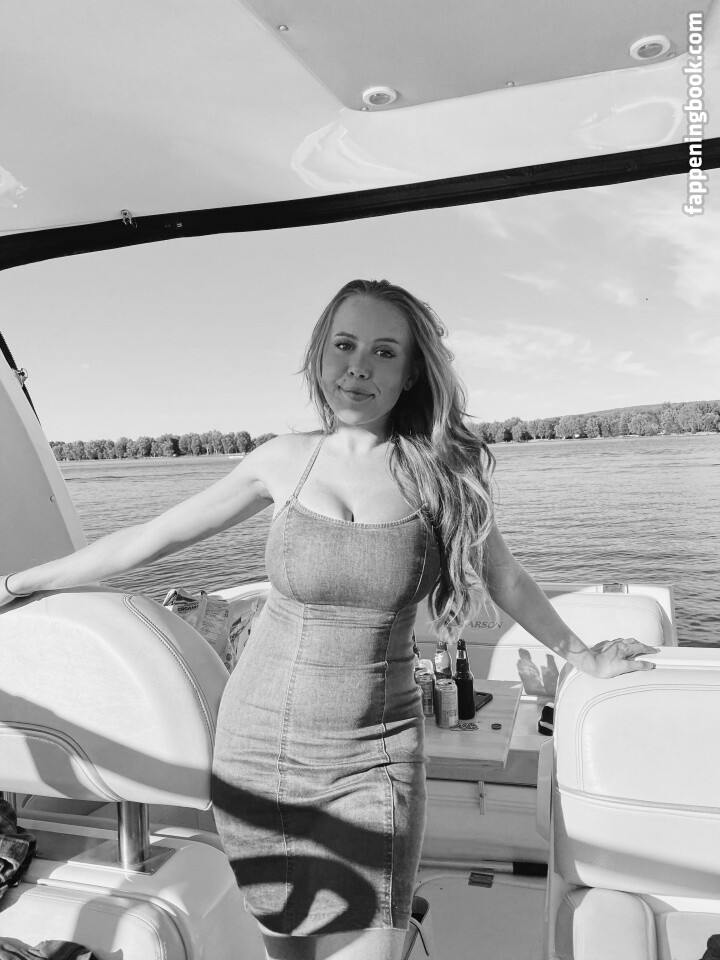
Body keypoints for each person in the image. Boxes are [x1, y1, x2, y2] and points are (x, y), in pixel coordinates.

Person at [1, 278, 657, 960]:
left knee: (373, 939)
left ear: (411, 374)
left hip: (376, 752)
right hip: (257, 749)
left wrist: (585, 655)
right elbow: (153, 537)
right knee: (286, 944)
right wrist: (17, 583)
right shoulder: (283, 459)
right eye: (344, 346)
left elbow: (506, 577)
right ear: (320, 356)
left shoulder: (440, 472)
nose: (358, 368)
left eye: (383, 352)